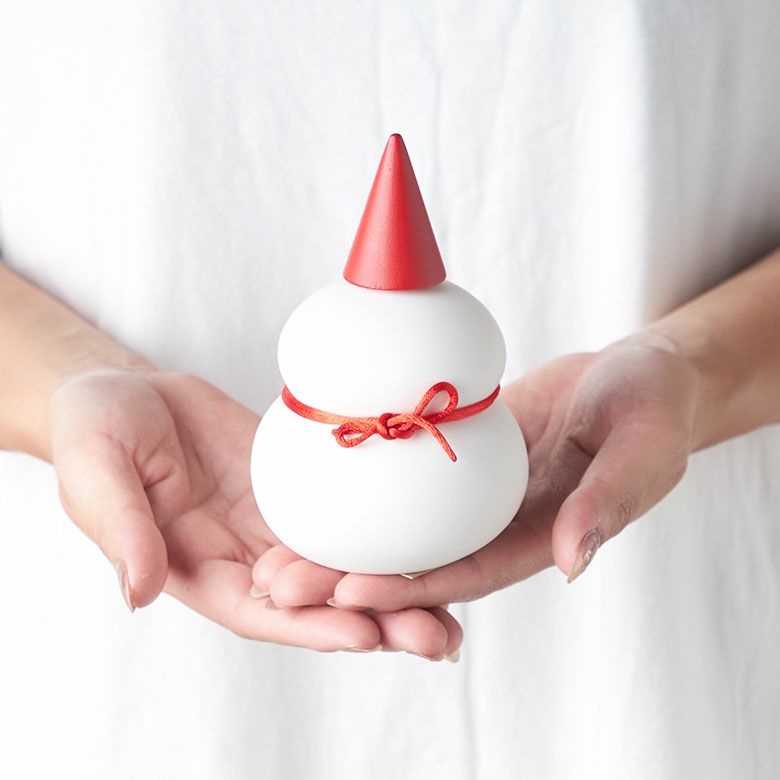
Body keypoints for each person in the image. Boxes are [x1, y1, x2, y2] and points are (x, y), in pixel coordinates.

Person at [0, 3, 778, 779]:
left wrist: (693, 366)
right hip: (124, 641)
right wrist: (66, 378)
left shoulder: (472, 416)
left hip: (674, 569)